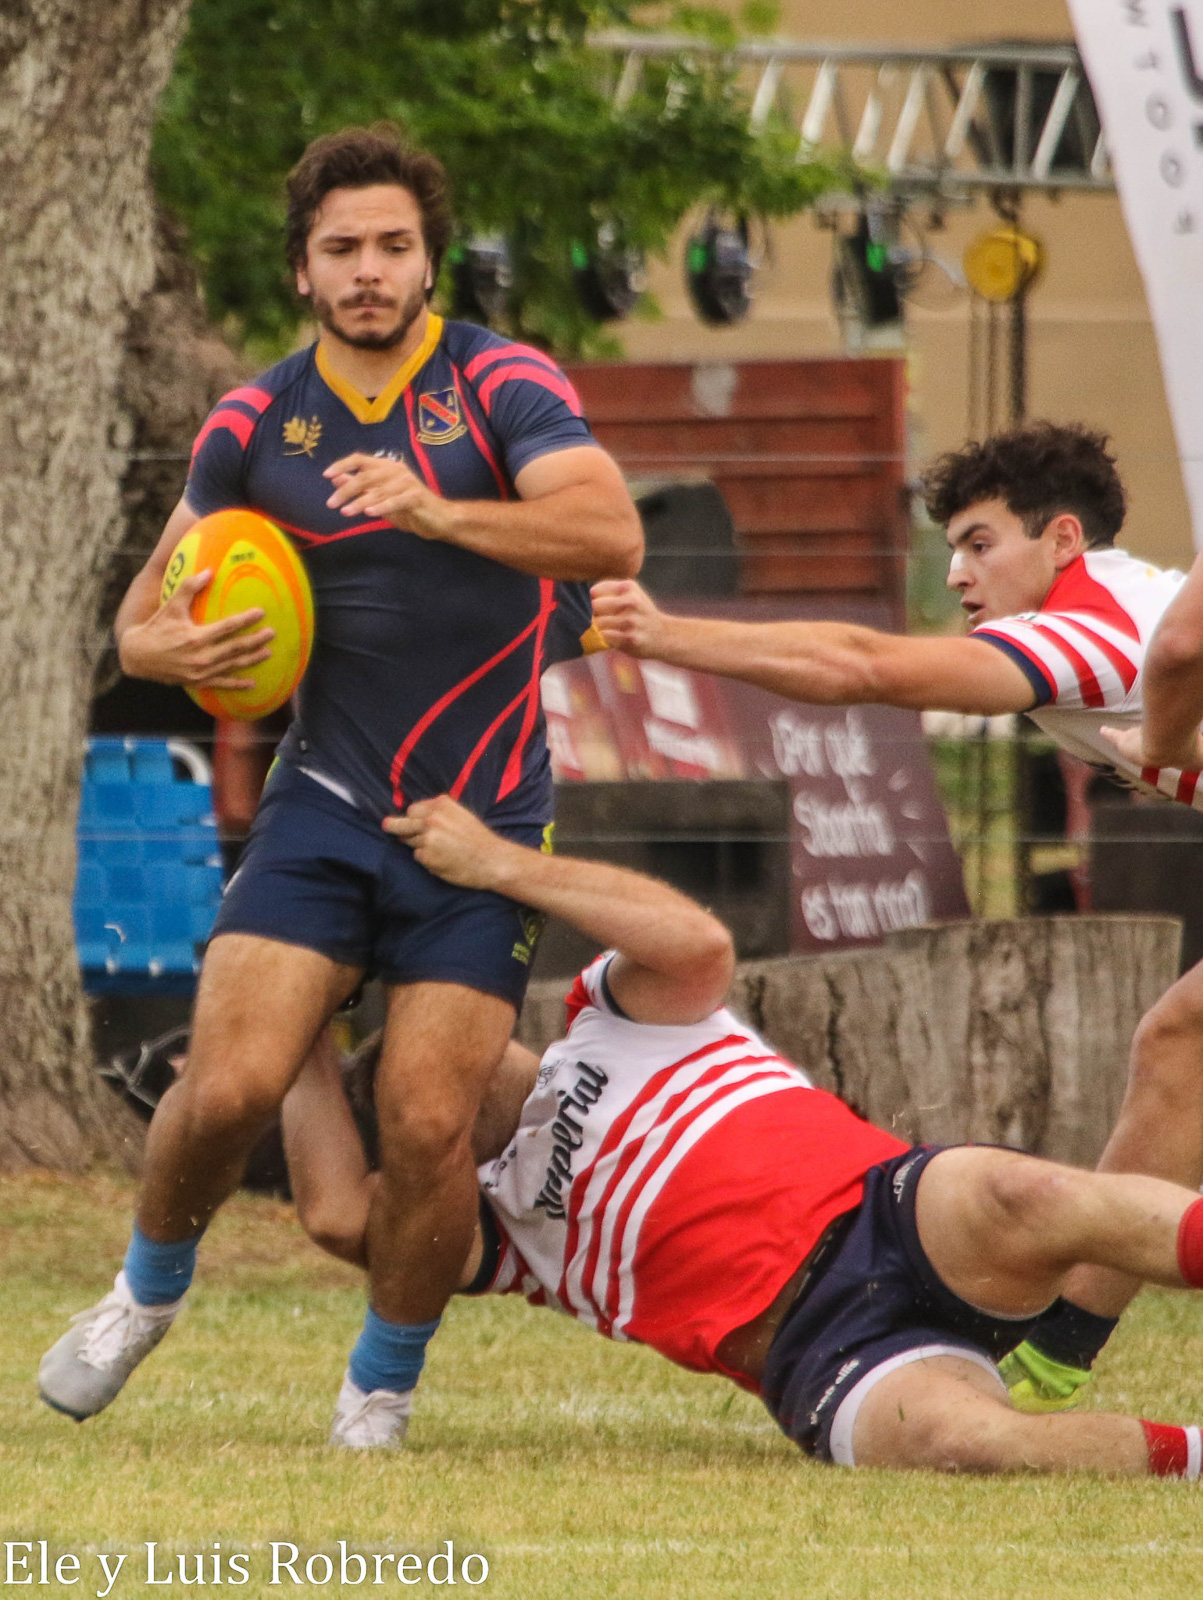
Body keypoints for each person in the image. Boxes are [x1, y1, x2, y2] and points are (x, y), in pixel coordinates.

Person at [39, 124, 642, 1448]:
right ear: (302, 271)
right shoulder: (256, 423)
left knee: (428, 1128)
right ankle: (145, 1294)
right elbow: (139, 623)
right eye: (340, 250)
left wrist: (442, 513)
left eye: (391, 246)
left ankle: (379, 1385)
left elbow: (607, 531)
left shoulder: (501, 387)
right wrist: (175, 649)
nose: (368, 271)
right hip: (318, 811)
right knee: (231, 1082)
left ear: (429, 261)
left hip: (479, 830)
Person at [281, 794, 1203, 1475]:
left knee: (1033, 1195)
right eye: (402, 1112)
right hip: (823, 1350)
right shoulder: (500, 1233)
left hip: (893, 1214)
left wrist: (496, 864)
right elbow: (333, 1217)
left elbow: (697, 945)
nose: (431, 1095)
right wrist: (300, 1032)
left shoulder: (608, 1015)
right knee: (969, 1444)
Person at [590, 421, 1203, 1415]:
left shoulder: (1088, 632)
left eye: (980, 542)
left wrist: (667, 635)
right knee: (1180, 1042)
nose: (958, 572)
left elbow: (861, 670)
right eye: (951, 548)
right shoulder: (1126, 589)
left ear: (1061, 543)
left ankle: (1055, 1357)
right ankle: (1056, 1357)